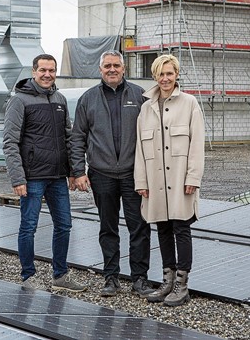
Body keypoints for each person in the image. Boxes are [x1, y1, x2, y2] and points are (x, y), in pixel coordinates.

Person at [71, 50, 153, 298]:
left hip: (133, 175)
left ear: (124, 68)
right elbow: (77, 138)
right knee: (108, 228)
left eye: (116, 65)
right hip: (101, 174)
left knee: (139, 227)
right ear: (100, 69)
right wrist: (78, 170)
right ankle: (111, 277)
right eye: (107, 66)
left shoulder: (140, 95)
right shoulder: (88, 99)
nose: (112, 69)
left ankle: (139, 279)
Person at [3, 53, 86, 293]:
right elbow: (10, 141)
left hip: (58, 177)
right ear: (34, 72)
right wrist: (18, 178)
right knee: (29, 226)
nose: (48, 74)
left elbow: (68, 137)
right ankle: (28, 276)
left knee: (64, 225)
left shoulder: (59, 99)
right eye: (43, 70)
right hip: (32, 177)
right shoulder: (19, 101)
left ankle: (60, 275)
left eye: (52, 70)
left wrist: (73, 171)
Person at [134, 54, 204, 307]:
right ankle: (167, 281)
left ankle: (182, 286)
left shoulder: (189, 103)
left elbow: (197, 144)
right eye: (161, 74)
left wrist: (193, 177)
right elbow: (140, 149)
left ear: (176, 75)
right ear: (155, 76)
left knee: (181, 229)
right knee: (162, 229)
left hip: (180, 178)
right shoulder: (145, 108)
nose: (165, 78)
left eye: (170, 74)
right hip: (155, 181)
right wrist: (141, 181)